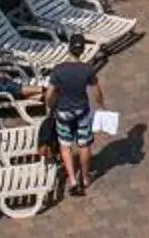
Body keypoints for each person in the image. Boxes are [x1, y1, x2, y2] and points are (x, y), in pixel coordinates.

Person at [43, 36, 105, 198]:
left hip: (63, 111)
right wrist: (101, 105)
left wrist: (51, 106)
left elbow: (49, 94)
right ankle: (85, 177)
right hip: (81, 111)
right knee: (84, 145)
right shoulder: (87, 70)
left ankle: (72, 180)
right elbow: (96, 91)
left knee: (65, 146)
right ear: (83, 50)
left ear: (69, 48)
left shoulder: (58, 70)